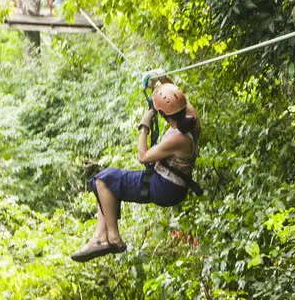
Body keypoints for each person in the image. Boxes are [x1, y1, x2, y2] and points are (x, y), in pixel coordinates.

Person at [72, 81, 200, 262]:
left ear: (162, 114)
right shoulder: (192, 123)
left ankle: (114, 239)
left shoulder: (178, 138)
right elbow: (178, 100)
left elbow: (143, 155)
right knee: (104, 183)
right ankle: (100, 237)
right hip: (170, 185)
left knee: (103, 179)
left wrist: (144, 127)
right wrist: (162, 80)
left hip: (165, 187)